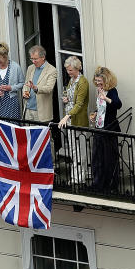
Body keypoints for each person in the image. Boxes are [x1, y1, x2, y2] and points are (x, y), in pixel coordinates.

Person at [89, 66, 123, 193]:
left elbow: (118, 104)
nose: (98, 83)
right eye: (96, 80)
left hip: (109, 128)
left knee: (109, 158)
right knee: (97, 158)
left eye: (100, 80)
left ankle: (111, 186)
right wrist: (94, 114)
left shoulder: (112, 91)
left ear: (106, 80)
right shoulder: (99, 90)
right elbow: (101, 109)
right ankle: (98, 183)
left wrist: (106, 98)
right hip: (99, 127)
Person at [57, 56, 89, 186]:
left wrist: (67, 116)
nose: (68, 72)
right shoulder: (72, 80)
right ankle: (79, 175)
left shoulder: (83, 82)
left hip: (78, 121)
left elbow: (80, 104)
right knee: (74, 150)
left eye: (70, 70)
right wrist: (66, 99)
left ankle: (78, 178)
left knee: (79, 151)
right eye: (67, 70)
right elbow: (71, 98)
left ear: (77, 68)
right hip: (70, 120)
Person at [22, 45, 58, 122]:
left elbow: (49, 88)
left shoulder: (52, 70)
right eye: (32, 58)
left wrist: (36, 88)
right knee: (28, 133)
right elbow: (26, 84)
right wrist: (25, 92)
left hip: (41, 112)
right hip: (28, 109)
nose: (33, 61)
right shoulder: (30, 68)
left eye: (35, 59)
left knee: (42, 134)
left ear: (43, 57)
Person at [0, 42, 24, 120]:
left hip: (11, 103)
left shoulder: (15, 67)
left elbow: (22, 83)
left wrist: (11, 88)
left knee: (11, 126)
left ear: (5, 57)